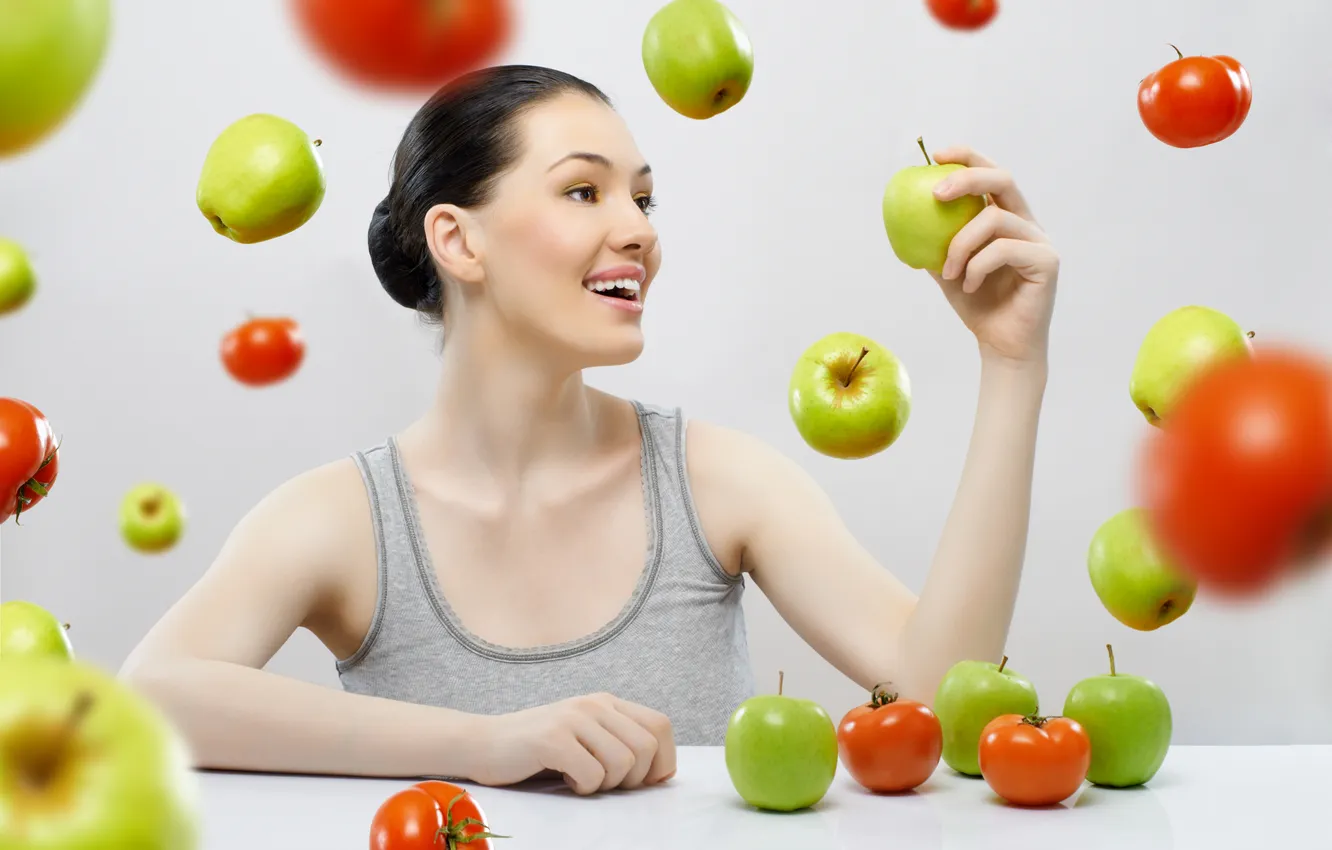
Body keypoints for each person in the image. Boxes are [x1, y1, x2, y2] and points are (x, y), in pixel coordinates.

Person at [120, 64, 1060, 796]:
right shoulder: (344, 519)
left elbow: (943, 695)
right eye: (584, 193)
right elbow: (151, 699)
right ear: (458, 240)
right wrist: (484, 744)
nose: (638, 231)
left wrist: (1012, 366)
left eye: (642, 200)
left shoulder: (716, 480)